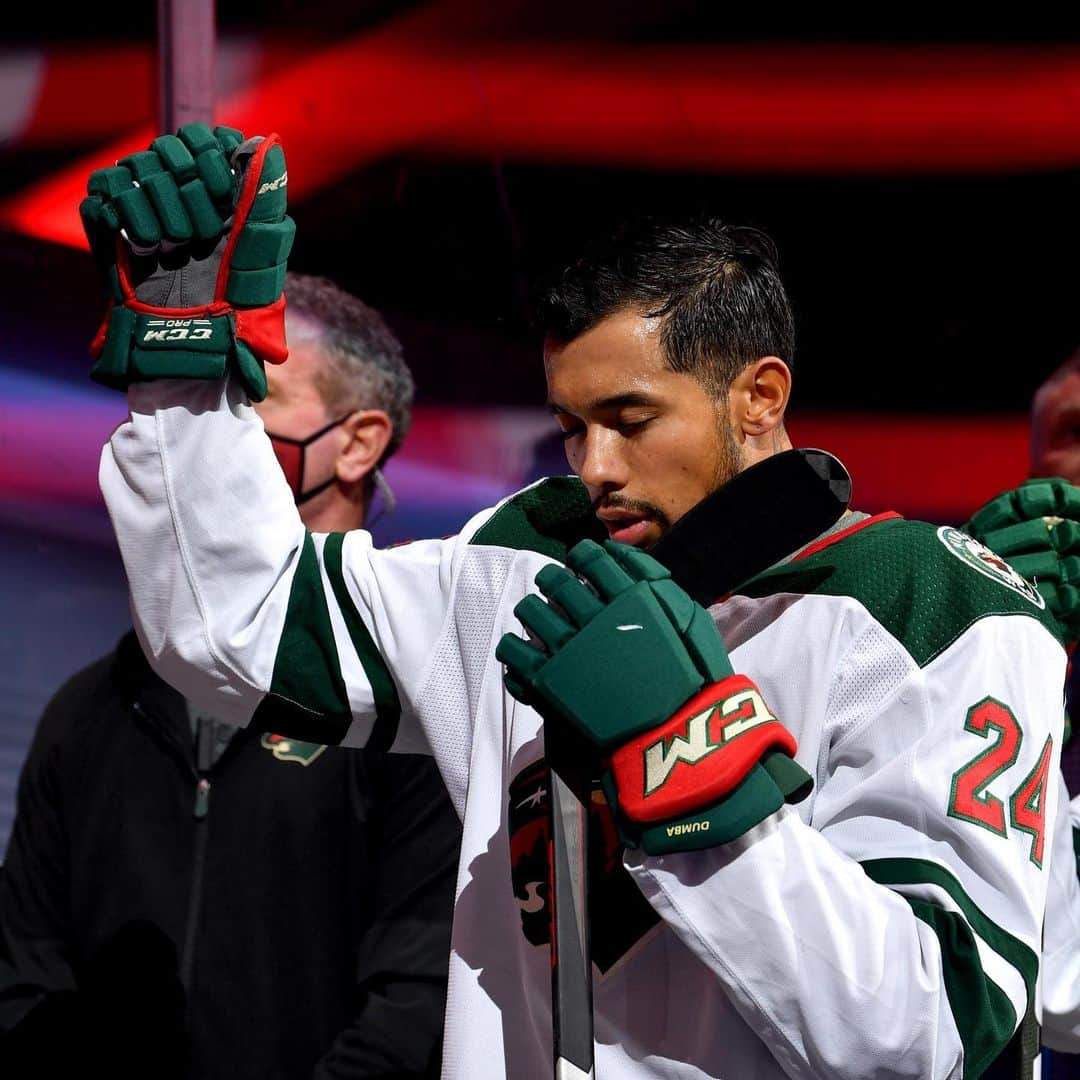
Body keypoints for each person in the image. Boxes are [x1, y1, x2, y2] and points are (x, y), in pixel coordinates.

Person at [91, 125, 1065, 1078]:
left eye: (630, 420)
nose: (595, 467)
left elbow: (934, 1036)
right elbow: (240, 630)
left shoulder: (944, 605)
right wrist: (182, 374)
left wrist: (696, 776)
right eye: (570, 427)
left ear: (759, 396)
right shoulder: (527, 556)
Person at [0, 271, 462, 1080]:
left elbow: (423, 996)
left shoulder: (419, 706)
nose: (208, 424)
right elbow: (25, 971)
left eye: (248, 393)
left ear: (357, 443)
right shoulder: (91, 711)